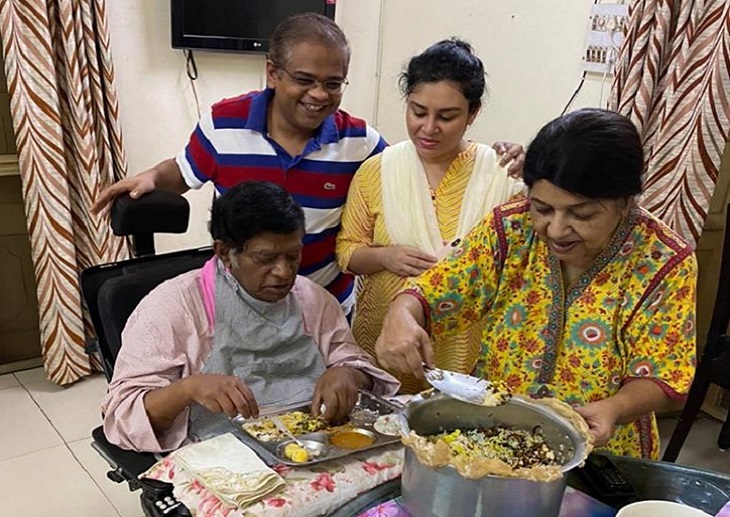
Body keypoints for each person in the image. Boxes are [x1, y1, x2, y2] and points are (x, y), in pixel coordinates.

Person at [91, 14, 523, 315]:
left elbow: (421, 168)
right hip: (238, 304)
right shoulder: (224, 123)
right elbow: (184, 171)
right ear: (272, 73)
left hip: (325, 310)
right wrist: (151, 176)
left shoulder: (360, 143)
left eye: (333, 84)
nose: (319, 94)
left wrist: (504, 159)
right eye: (304, 80)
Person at [375, 108, 697, 459]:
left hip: (602, 448)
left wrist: (615, 408)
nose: (556, 230)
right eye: (541, 208)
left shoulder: (662, 260)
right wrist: (402, 312)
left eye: (582, 214)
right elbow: (438, 289)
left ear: (625, 201)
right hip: (493, 433)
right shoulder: (511, 229)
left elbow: (665, 373)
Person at [101, 182, 399, 453]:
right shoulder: (172, 307)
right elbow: (122, 417)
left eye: (293, 256)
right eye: (265, 259)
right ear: (225, 252)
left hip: (316, 443)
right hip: (225, 453)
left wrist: (347, 374)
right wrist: (187, 388)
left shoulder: (313, 299)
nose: (283, 272)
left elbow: (356, 366)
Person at [336, 39, 524, 393]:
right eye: (418, 111)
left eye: (447, 116)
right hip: (384, 336)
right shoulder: (377, 170)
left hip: (467, 346)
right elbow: (347, 252)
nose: (429, 127)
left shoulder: (500, 174)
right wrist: (384, 256)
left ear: (473, 113)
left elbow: (522, 264)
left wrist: (536, 171)